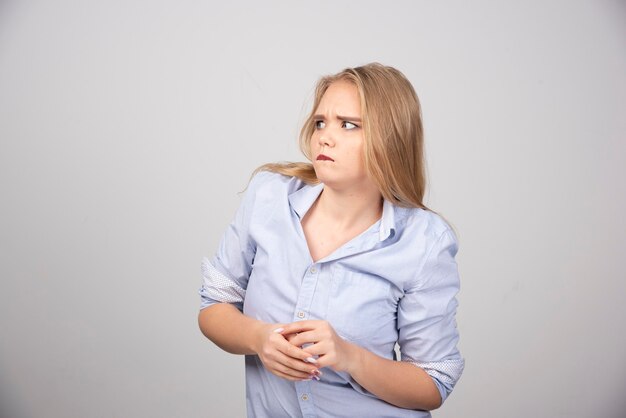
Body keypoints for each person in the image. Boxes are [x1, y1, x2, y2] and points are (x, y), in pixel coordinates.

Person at [198, 63, 464, 418]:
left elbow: (433, 383)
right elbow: (214, 306)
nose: (324, 136)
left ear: (391, 138)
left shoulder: (424, 242)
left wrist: (350, 356)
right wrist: (259, 339)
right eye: (321, 122)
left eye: (349, 124)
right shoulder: (268, 197)